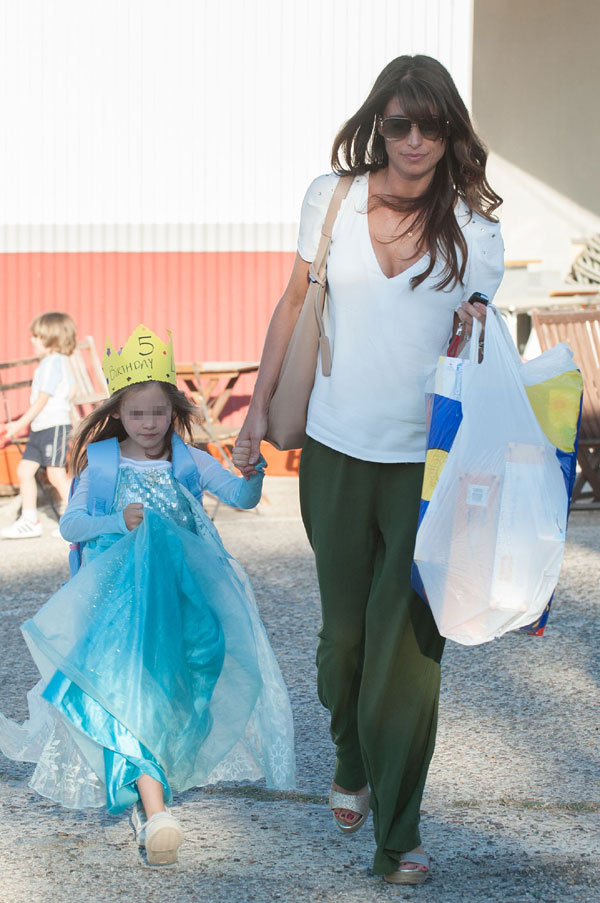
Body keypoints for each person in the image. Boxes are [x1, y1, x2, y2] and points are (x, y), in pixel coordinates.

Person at [235, 55, 504, 886]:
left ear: (451, 130)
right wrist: (254, 409)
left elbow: (484, 339)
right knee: (343, 640)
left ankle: (401, 832)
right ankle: (349, 752)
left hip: (427, 468)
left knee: (412, 652)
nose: (415, 140)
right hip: (338, 451)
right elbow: (292, 304)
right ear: (378, 125)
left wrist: (474, 323)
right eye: (399, 123)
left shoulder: (478, 229)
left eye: (431, 124)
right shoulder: (334, 199)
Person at [0, 324, 295, 867]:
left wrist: (252, 472)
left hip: (180, 601)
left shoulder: (186, 459)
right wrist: (117, 519)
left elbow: (240, 496)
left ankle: (150, 795)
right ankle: (156, 809)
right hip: (118, 604)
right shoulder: (104, 464)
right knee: (129, 691)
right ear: (119, 414)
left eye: (158, 412)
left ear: (173, 411)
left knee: (175, 687)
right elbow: (72, 525)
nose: (149, 423)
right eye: (137, 414)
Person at [1, 311, 77, 539]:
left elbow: (43, 399)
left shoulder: (54, 363)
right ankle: (29, 520)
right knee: (25, 470)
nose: (32, 340)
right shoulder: (53, 363)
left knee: (55, 474)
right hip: (41, 426)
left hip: (53, 427)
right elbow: (71, 390)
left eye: (37, 336)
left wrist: (18, 424)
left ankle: (77, 519)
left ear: (51, 338)